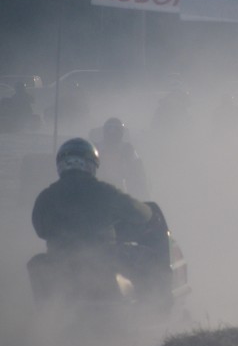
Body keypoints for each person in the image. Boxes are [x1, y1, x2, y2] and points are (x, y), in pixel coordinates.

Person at [29, 138, 170, 308]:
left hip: (60, 259)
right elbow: (141, 215)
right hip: (105, 257)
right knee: (150, 259)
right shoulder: (104, 191)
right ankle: (155, 307)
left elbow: (41, 230)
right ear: (91, 164)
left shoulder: (46, 196)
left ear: (60, 165)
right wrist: (148, 212)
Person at [90, 117, 150, 200]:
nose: (112, 132)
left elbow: (138, 173)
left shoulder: (128, 149)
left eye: (116, 129)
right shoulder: (95, 148)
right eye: (110, 129)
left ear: (121, 132)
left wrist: (141, 194)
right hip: (97, 190)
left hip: (121, 191)